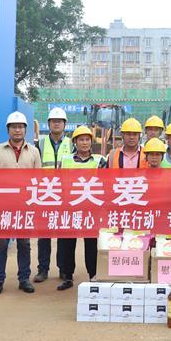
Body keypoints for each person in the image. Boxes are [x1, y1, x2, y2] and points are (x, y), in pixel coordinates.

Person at [0, 111, 42, 296]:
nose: (17, 130)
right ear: (8, 130)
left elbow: (38, 179)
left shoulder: (34, 152)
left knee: (24, 243)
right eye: (14, 127)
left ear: (25, 130)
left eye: (20, 127)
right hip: (4, 205)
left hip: (25, 206)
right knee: (2, 244)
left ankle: (24, 279)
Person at [56, 125, 106, 290]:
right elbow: (58, 182)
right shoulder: (65, 160)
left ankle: (93, 275)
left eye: (87, 140)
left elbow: (105, 183)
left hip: (91, 210)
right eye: (81, 140)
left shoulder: (100, 161)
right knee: (67, 244)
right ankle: (67, 276)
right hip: (70, 209)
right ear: (75, 142)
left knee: (91, 244)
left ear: (91, 142)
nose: (84, 143)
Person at [34, 107, 73, 284]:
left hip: (65, 196)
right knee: (44, 235)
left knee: (63, 235)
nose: (56, 123)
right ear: (49, 124)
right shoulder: (40, 144)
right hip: (45, 195)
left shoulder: (72, 144)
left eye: (60, 121)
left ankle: (63, 269)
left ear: (65, 124)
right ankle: (43, 269)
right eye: (53, 121)